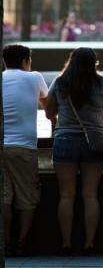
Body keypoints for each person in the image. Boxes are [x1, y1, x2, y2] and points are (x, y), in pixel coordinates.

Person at [45, 47, 103, 255]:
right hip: (92, 143)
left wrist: (60, 123)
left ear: (72, 61)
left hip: (64, 139)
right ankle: (89, 244)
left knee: (66, 195)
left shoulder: (59, 83)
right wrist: (95, 128)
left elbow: (49, 111)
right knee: (90, 195)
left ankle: (66, 243)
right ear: (95, 62)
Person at [3, 44, 49, 256]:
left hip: (2, 145)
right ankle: (21, 244)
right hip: (24, 147)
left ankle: (4, 244)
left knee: (4, 198)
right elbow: (49, 108)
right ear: (25, 61)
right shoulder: (34, 78)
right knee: (27, 198)